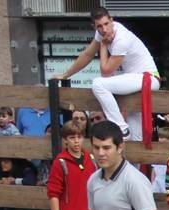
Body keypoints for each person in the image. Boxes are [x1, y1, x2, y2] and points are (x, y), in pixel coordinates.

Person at [54, 7, 160, 142]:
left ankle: (121, 128)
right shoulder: (102, 34)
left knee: (98, 84)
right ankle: (132, 153)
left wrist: (103, 46)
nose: (104, 29)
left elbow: (106, 72)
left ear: (111, 20)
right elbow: (87, 54)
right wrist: (65, 74)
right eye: (99, 26)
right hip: (136, 82)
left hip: (148, 79)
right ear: (94, 26)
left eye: (106, 24)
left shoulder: (121, 39)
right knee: (135, 139)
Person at [48, 121, 95, 210]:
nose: (76, 141)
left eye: (79, 137)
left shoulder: (91, 159)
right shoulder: (60, 162)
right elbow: (53, 193)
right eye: (72, 137)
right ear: (65, 140)